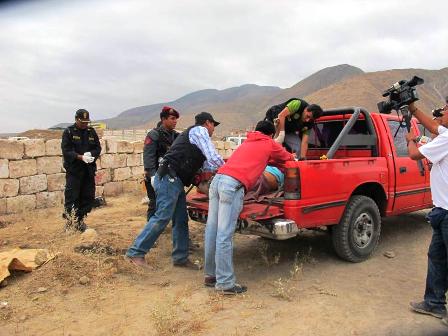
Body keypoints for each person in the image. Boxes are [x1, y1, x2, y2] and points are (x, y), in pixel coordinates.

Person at [204, 120, 295, 294]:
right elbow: (288, 159)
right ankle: (225, 283)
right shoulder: (269, 143)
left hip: (217, 181)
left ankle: (211, 275)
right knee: (225, 235)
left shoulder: (248, 141)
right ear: (270, 135)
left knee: (212, 230)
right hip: (232, 186)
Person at [126, 112, 224, 268]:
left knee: (180, 220)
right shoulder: (200, 131)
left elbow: (208, 166)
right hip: (168, 178)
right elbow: (212, 157)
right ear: (207, 123)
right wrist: (230, 171)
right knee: (162, 216)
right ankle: (135, 253)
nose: (213, 129)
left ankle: (180, 258)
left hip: (175, 180)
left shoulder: (194, 139)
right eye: (213, 125)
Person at [406, 102, 448, 326]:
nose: (441, 113)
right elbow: (433, 127)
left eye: (446, 110)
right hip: (442, 211)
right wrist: (412, 109)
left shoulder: (447, 139)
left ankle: (434, 302)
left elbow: (414, 155)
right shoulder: (444, 133)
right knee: (437, 258)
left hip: (447, 213)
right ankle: (434, 303)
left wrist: (411, 140)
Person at [61, 109, 101, 232]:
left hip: (88, 170)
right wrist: (80, 157)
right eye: (82, 122)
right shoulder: (69, 132)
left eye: (86, 122)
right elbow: (66, 151)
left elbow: (98, 147)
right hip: (74, 171)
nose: (85, 125)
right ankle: (70, 222)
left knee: (87, 197)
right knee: (72, 197)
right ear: (76, 119)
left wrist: (91, 154)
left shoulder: (91, 131)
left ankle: (80, 221)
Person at [143, 106, 179, 220]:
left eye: (176, 119)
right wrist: (153, 176)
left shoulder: (176, 136)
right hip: (157, 175)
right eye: (172, 118)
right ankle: (150, 228)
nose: (175, 121)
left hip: (170, 176)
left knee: (172, 202)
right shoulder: (154, 134)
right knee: (155, 203)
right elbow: (149, 156)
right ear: (163, 119)